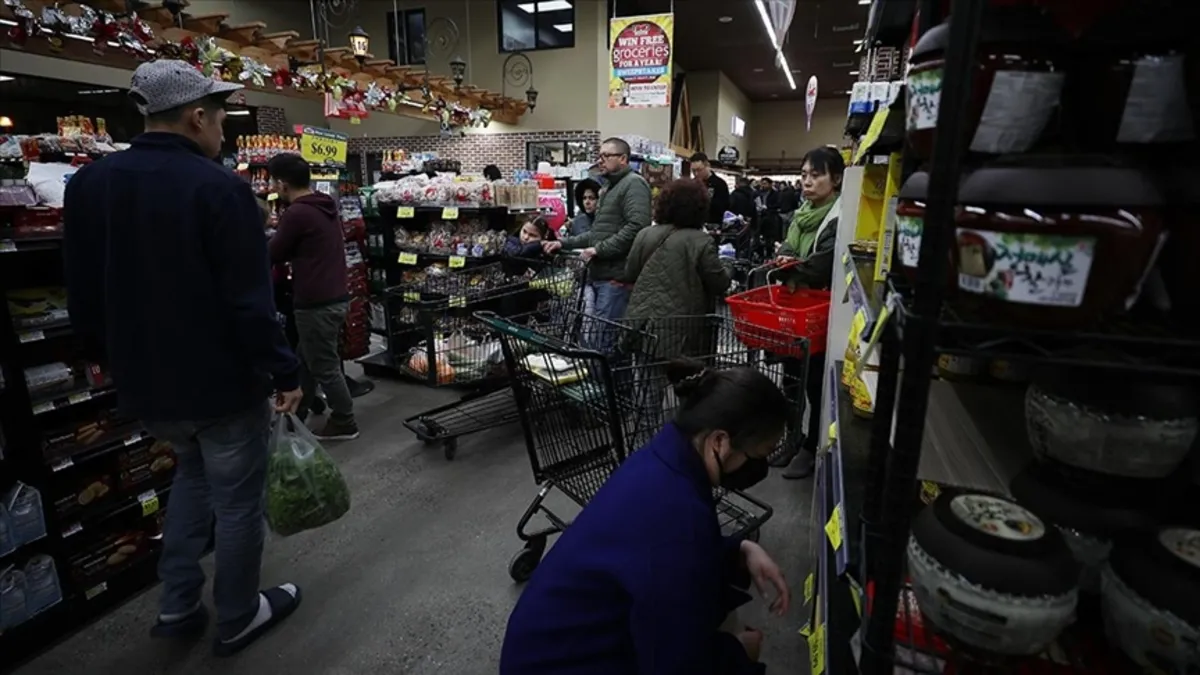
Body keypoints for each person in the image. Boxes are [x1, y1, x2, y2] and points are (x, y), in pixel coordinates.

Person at [62, 60, 302, 657]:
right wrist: (284, 369)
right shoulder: (220, 189)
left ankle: (177, 604)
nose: (222, 130)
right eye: (220, 117)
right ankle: (239, 615)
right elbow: (249, 303)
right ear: (197, 117)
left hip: (145, 385)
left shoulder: (88, 184)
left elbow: (82, 295)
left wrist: (109, 361)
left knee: (192, 477)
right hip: (220, 382)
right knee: (238, 503)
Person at [500, 359, 792, 675]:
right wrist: (738, 654)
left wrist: (741, 551)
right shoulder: (677, 512)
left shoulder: (662, 458)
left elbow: (660, 560)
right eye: (759, 455)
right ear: (719, 442)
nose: (760, 468)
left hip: (547, 647)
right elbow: (674, 663)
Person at [622, 179, 731, 435]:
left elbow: (630, 273)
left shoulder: (645, 235)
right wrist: (729, 265)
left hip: (644, 326)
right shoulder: (701, 241)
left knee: (647, 397)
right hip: (684, 333)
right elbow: (719, 283)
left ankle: (647, 445)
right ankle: (686, 441)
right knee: (691, 393)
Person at [267, 153, 359, 441]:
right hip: (335, 295)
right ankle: (297, 415)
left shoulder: (297, 213)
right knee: (305, 360)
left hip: (316, 301)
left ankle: (345, 420)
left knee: (324, 366)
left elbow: (274, 253)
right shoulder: (324, 204)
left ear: (282, 184)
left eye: (273, 182)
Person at [775, 146, 845, 479]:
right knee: (791, 380)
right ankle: (793, 437)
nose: (807, 181)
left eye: (816, 175)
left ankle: (811, 448)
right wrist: (788, 261)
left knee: (815, 384)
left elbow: (821, 265)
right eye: (804, 175)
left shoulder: (839, 216)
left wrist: (789, 267)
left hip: (821, 314)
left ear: (837, 179)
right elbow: (787, 248)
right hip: (793, 311)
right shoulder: (801, 214)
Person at [543, 137, 651, 350]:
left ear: (623, 159)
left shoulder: (633, 184)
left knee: (604, 343)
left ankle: (610, 374)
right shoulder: (610, 187)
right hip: (601, 276)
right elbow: (596, 234)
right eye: (600, 156)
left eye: (606, 156)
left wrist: (599, 249)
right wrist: (563, 243)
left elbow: (637, 227)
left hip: (616, 279)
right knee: (597, 340)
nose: (600, 160)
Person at [689, 151, 730, 225]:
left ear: (707, 166)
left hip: (712, 224)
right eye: (693, 171)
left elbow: (722, 207)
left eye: (699, 170)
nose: (696, 173)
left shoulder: (720, 184)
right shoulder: (691, 184)